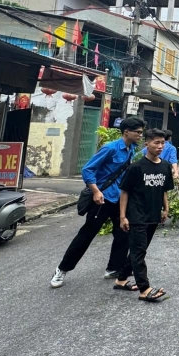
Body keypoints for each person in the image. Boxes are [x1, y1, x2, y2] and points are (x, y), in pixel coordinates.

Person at [50, 116, 144, 288]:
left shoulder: (131, 149)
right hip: (102, 199)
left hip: (119, 199)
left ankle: (114, 268)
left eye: (141, 132)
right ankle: (62, 269)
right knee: (87, 235)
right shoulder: (111, 148)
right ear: (126, 132)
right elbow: (88, 169)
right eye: (137, 132)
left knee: (123, 232)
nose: (140, 135)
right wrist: (96, 191)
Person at [113, 129, 173, 302]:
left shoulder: (166, 166)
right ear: (147, 144)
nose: (160, 146)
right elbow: (125, 192)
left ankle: (121, 279)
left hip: (153, 214)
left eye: (163, 143)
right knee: (139, 251)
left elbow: (163, 191)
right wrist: (123, 216)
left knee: (139, 250)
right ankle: (144, 289)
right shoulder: (136, 167)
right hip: (136, 215)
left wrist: (165, 209)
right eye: (156, 142)